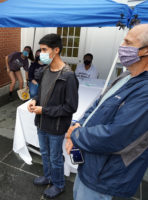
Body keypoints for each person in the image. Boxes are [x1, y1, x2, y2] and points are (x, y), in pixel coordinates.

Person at [65, 24, 148, 200]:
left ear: (145, 51)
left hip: (105, 176)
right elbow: (98, 105)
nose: (122, 46)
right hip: (90, 164)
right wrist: (77, 125)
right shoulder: (126, 75)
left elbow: (116, 137)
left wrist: (76, 134)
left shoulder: (145, 91)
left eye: (128, 42)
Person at [27, 34, 79, 199]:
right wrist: (34, 101)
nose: (40, 53)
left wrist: (45, 110)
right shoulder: (44, 71)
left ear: (56, 50)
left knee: (56, 157)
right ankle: (48, 176)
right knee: (44, 153)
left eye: (44, 50)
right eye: (40, 49)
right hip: (41, 122)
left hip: (56, 126)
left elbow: (71, 107)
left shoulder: (68, 76)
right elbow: (41, 95)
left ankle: (59, 184)